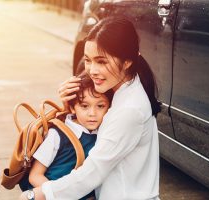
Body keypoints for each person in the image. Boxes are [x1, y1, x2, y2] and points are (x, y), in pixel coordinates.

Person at [20, 16, 161, 200]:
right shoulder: (121, 90)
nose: (92, 70)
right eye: (88, 60)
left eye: (101, 61)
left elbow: (92, 172)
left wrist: (39, 195)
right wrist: (68, 106)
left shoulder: (129, 109)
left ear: (127, 62)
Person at [21, 71, 112, 200]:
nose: (92, 113)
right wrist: (59, 194)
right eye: (84, 106)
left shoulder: (104, 134)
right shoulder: (58, 134)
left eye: (100, 106)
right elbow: (35, 175)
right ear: (73, 108)